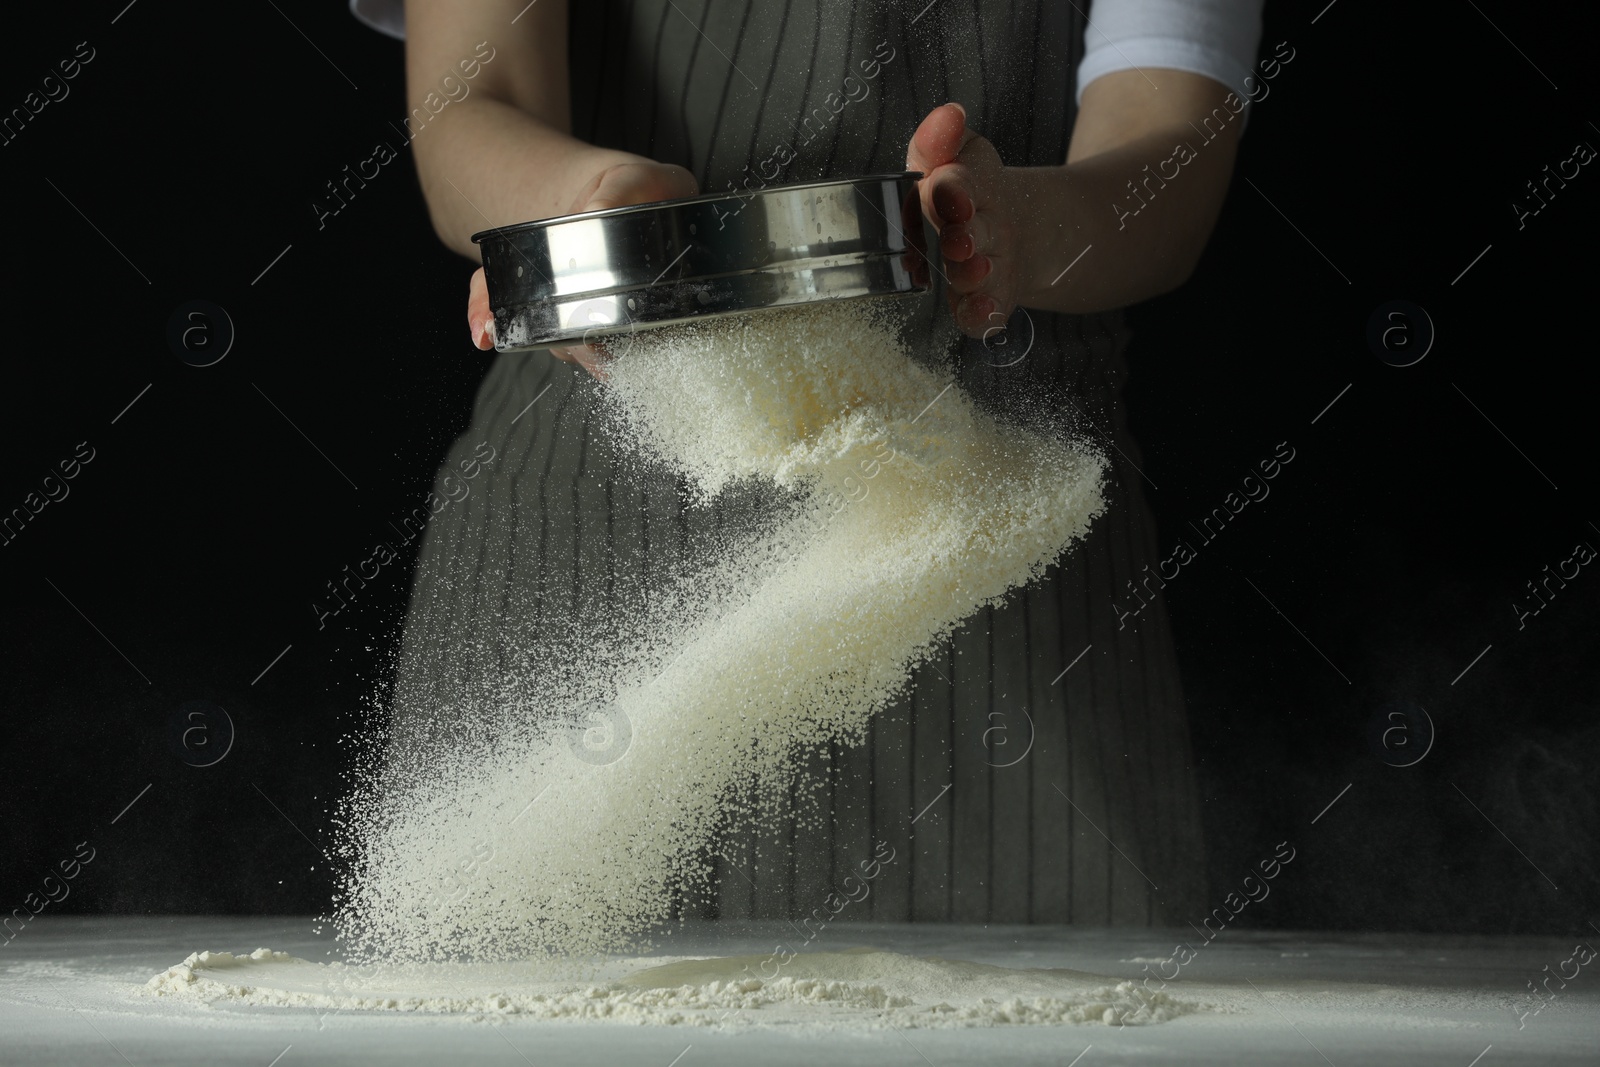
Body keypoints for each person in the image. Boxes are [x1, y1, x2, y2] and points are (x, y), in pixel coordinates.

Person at [353, 0, 1263, 926]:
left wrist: (1020, 225)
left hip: (991, 560)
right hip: (578, 539)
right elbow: (476, 98)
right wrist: (591, 214)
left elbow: (1169, 139)